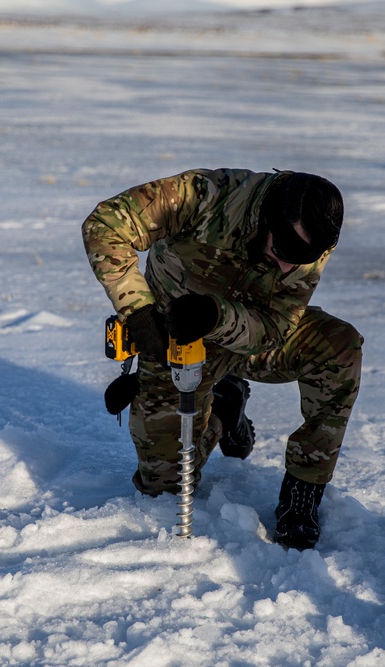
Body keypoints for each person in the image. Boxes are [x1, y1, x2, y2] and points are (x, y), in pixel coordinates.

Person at [82, 168, 363, 550]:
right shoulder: (202, 196)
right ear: (266, 219)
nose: (285, 267)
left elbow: (278, 323)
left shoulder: (310, 234)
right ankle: (223, 411)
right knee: (164, 489)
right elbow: (105, 225)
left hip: (252, 339)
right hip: (175, 347)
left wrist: (216, 317)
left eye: (300, 259)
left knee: (339, 347)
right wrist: (139, 312)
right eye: (282, 252)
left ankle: (302, 493)